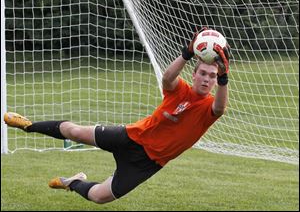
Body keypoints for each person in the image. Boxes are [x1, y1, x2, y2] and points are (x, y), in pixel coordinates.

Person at [4, 27, 230, 204]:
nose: (206, 79)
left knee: (99, 197)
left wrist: (223, 76)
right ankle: (29, 125)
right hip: (132, 136)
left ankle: (72, 182)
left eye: (211, 76)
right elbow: (167, 78)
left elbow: (219, 109)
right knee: (75, 132)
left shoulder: (210, 106)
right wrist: (187, 53)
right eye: (202, 73)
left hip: (147, 164)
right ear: (195, 73)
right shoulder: (180, 90)